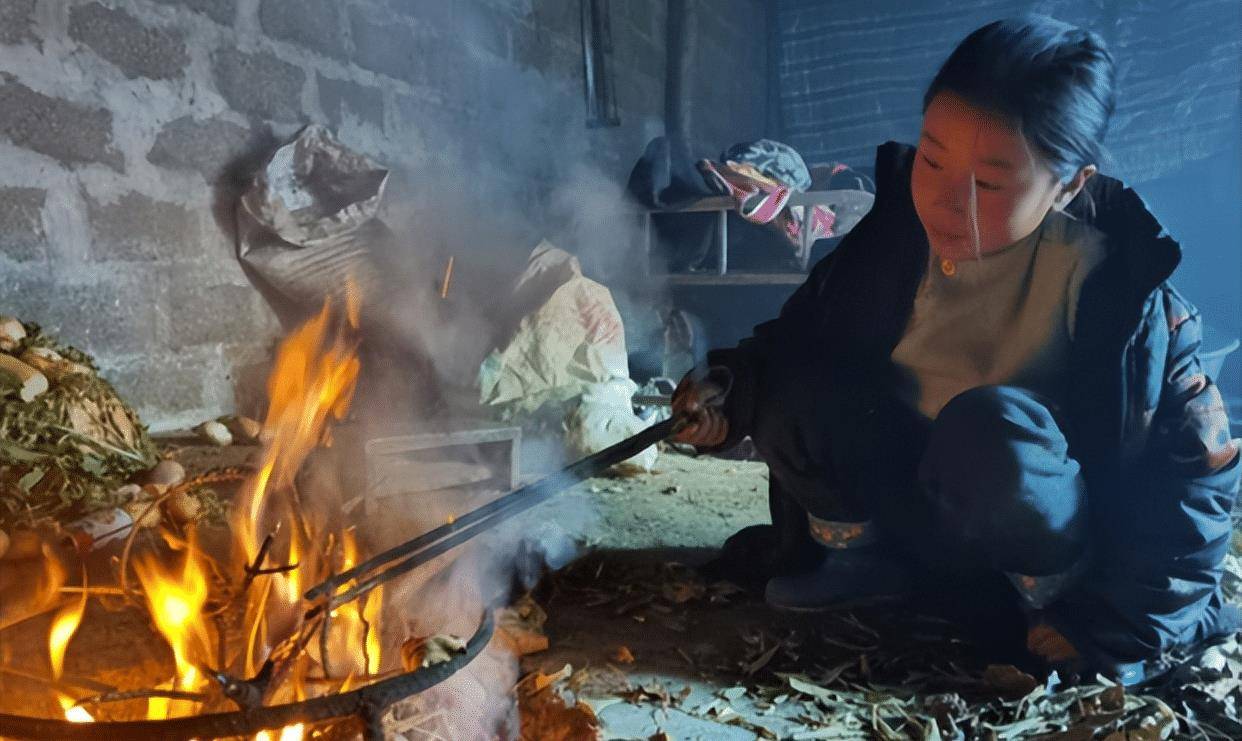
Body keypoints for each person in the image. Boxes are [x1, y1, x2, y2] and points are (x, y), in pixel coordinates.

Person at [672, 15, 1240, 685]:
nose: (945, 201)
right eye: (933, 157)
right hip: (897, 509)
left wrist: (1116, 623)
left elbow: (1196, 483)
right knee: (797, 379)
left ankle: (1046, 601)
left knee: (988, 430)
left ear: (1070, 183)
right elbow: (796, 343)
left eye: (990, 183)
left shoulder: (1121, 290)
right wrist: (729, 392)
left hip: (1022, 535)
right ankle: (854, 560)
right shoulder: (892, 239)